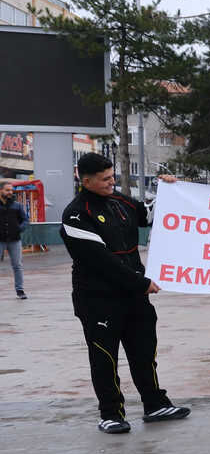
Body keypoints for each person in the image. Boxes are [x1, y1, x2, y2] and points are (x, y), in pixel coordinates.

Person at [60, 153, 189, 433]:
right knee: (105, 357)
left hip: (134, 296)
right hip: (98, 299)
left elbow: (150, 216)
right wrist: (141, 282)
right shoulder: (75, 214)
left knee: (144, 351)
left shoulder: (120, 201)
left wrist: (169, 190)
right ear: (86, 181)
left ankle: (155, 403)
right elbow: (101, 260)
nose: (112, 182)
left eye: (112, 176)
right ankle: (111, 414)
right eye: (105, 179)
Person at [1, 182, 28, 299]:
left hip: (15, 240)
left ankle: (20, 290)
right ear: (1, 191)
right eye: (7, 190)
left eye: (11, 190)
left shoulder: (17, 205)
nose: (10, 192)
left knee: (17, 265)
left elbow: (25, 220)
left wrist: (19, 229)